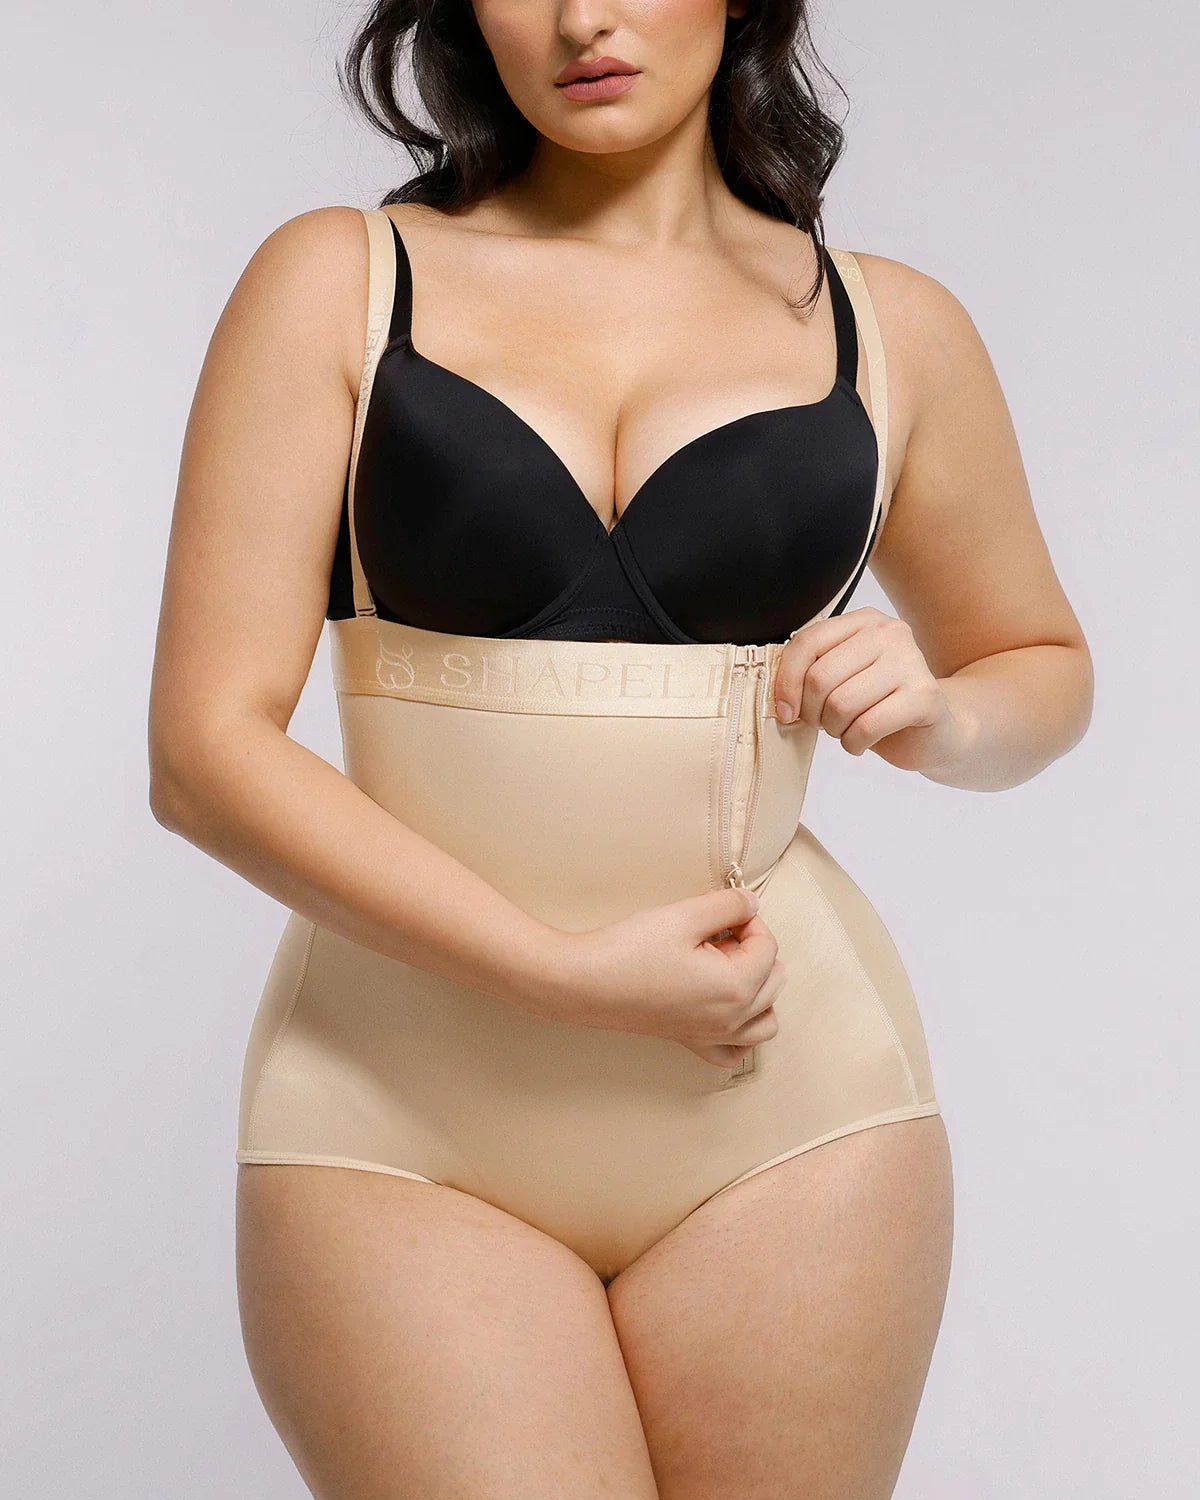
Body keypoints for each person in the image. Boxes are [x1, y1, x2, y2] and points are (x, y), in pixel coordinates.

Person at [148, 2, 1093, 1495]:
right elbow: (203, 754)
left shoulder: (891, 328)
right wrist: (559, 974)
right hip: (403, 1111)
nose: (583, 16)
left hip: (787, 1106)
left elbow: (1040, 664)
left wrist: (946, 711)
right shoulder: (339, 282)